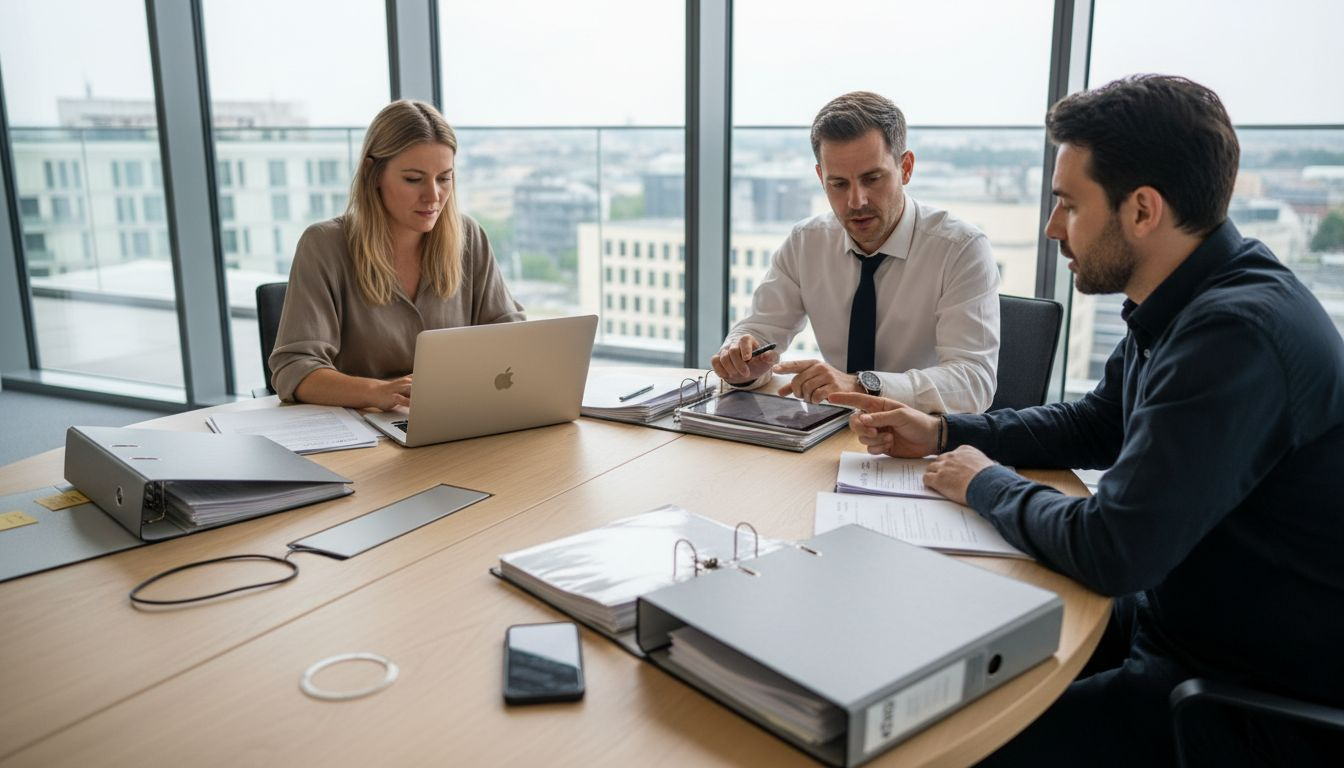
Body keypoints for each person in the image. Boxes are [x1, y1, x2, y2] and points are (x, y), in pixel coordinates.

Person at [833, 75, 1344, 766]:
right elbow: (1097, 424)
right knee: (924, 647)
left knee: (941, 744)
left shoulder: (1234, 337)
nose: (1052, 228)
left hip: (1229, 694)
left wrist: (983, 482)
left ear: (1142, 210)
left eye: (1069, 205)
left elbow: (1111, 549)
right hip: (1179, 621)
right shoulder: (1189, 297)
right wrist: (947, 432)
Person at [710, 91, 1000, 414]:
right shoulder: (807, 242)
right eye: (838, 184)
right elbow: (760, 330)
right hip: (833, 433)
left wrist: (861, 385)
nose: (856, 201)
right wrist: (743, 365)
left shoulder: (961, 250)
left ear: (905, 168)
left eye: (872, 179)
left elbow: (974, 382)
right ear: (821, 178)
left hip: (924, 446)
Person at [269, 99, 524, 408]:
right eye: (413, 179)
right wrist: (376, 393)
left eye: (444, 178)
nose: (433, 195)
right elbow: (295, 368)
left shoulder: (469, 237)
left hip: (455, 416)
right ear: (373, 173)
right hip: (367, 430)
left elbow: (512, 337)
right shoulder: (324, 245)